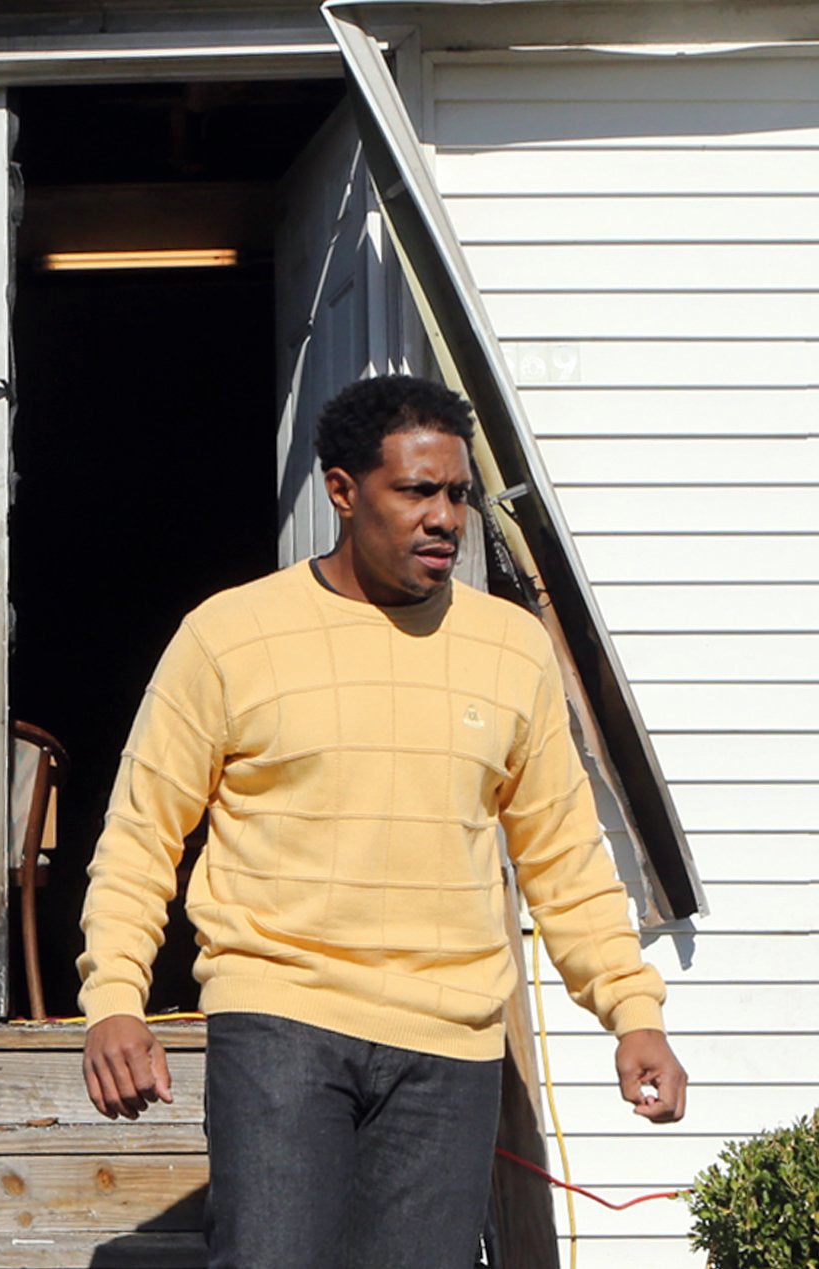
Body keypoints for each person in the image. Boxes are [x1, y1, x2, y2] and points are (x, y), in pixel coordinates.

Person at [77, 374, 686, 1268]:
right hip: (281, 1017)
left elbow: (564, 858)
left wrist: (633, 1012)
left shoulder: (510, 649)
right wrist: (115, 999)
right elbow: (142, 834)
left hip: (449, 1044)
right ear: (342, 489)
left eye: (458, 494)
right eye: (416, 491)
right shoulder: (229, 636)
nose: (443, 516)